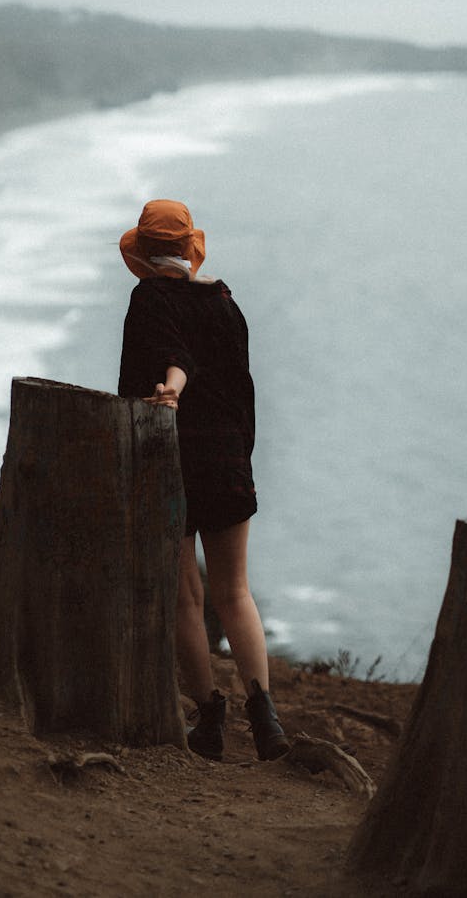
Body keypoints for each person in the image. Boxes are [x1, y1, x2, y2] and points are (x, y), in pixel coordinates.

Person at [118, 198, 289, 762]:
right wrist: (241, 456)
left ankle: (209, 718)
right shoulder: (224, 302)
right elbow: (241, 391)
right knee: (235, 593)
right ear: (190, 247)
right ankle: (264, 716)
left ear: (144, 253)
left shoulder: (149, 298)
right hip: (226, 459)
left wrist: (171, 389)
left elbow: (174, 359)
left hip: (168, 460)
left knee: (185, 596)